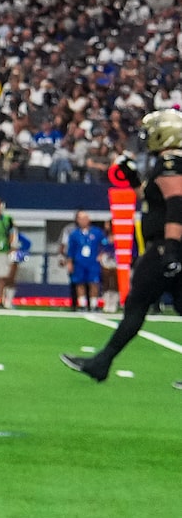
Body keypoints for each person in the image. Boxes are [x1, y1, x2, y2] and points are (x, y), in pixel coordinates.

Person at [62, 111, 182, 382]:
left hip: (165, 246)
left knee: (136, 304)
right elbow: (154, 198)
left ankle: (101, 363)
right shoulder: (167, 163)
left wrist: (171, 248)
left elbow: (176, 206)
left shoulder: (171, 163)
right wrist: (132, 178)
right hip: (168, 244)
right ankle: (101, 362)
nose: (147, 137)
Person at [62, 209, 108, 311]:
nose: (83, 221)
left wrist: (102, 254)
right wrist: (69, 262)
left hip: (93, 262)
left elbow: (105, 243)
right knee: (79, 283)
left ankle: (93, 305)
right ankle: (82, 304)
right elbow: (71, 249)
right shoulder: (74, 234)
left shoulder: (97, 232)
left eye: (85, 218)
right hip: (79, 262)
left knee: (94, 283)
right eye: (81, 218)